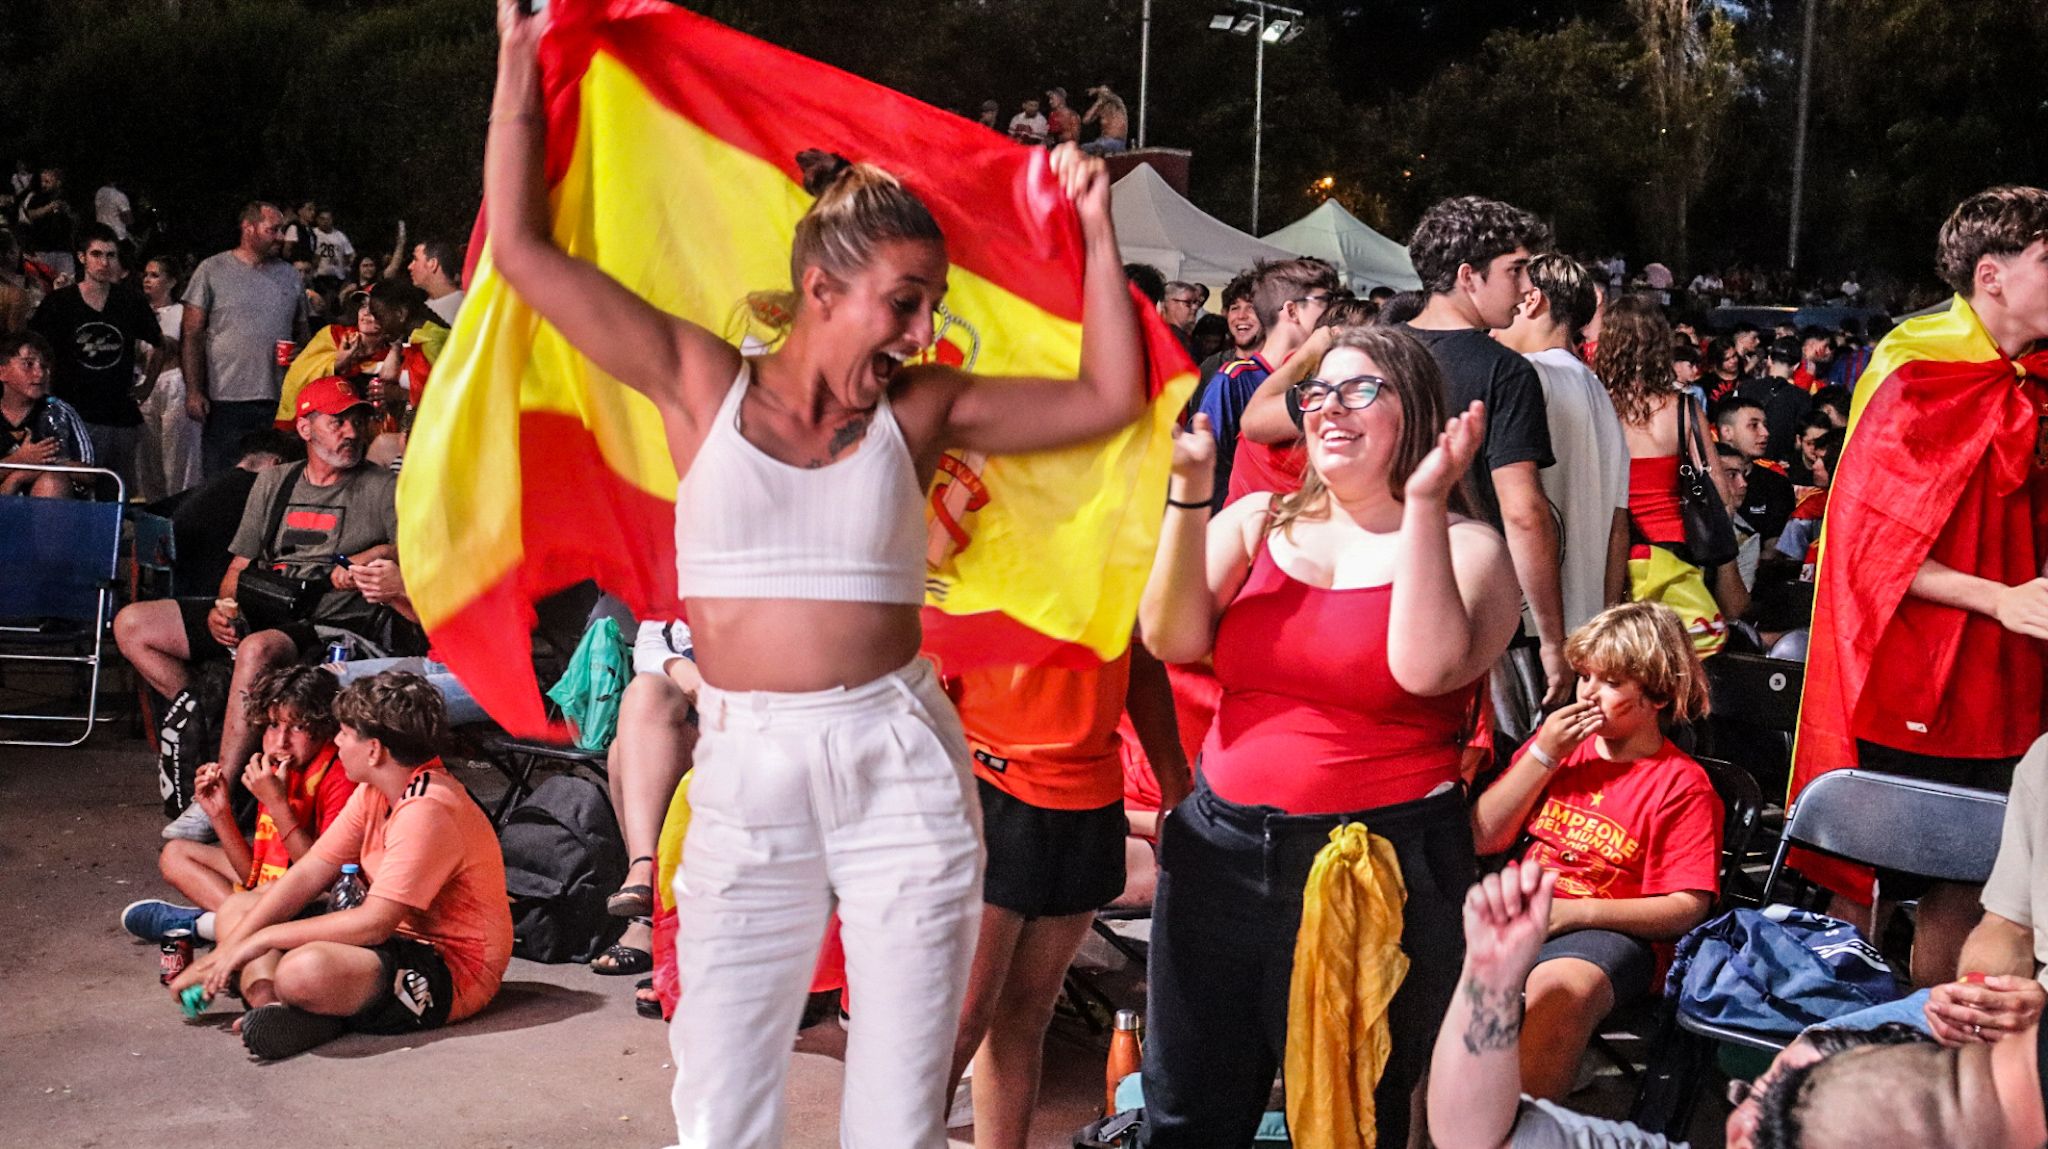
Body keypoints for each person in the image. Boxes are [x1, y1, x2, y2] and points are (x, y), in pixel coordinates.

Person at [488, 3, 1149, 1143]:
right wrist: (515, 61)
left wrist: (1094, 232)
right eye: (906, 300)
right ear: (821, 284)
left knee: (899, 1093)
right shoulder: (702, 382)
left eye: (932, 302)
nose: (923, 325)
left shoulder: (921, 410)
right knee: (719, 1081)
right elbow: (524, 253)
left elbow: (1106, 399)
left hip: (899, 759)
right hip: (748, 762)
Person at [1136, 325, 1522, 1146]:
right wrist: (1189, 492)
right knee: (1184, 1110)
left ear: (1414, 410)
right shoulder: (1256, 519)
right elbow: (1167, 636)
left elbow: (1425, 668)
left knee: (1349, 1117)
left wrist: (1420, 501)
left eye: (1359, 390)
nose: (1327, 409)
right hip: (1221, 851)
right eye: (1315, 392)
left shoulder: (1471, 547)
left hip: (1377, 865)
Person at [1795, 186, 2048, 991]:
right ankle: (1825, 1074)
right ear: (1992, 275)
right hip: (1906, 678)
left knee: (1973, 892)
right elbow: (1869, 557)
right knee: (1860, 887)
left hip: (2008, 683)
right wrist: (2000, 598)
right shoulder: (1915, 367)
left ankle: (1935, 1075)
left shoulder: (2030, 378)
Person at [114, 375, 414, 844]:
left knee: (256, 649)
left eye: (357, 420)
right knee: (133, 625)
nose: (351, 432)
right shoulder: (275, 482)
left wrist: (363, 559)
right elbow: (239, 565)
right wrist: (224, 609)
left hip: (332, 623)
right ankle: (208, 717)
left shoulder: (382, 489)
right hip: (263, 605)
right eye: (337, 422)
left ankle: (219, 788)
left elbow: (416, 552)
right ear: (306, 427)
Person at [167, 671, 514, 1060]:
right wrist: (223, 953)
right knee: (241, 908)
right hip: (386, 944)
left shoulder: (428, 807)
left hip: (447, 968)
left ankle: (316, 1007)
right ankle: (271, 1007)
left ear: (375, 750)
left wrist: (259, 941)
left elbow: (375, 922)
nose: (336, 741)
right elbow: (309, 871)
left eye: (345, 733)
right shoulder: (374, 790)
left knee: (302, 970)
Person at [1470, 602, 1721, 1098]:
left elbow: (1687, 908)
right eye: (1585, 677)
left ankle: (1522, 1124)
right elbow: (1484, 837)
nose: (1587, 693)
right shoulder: (1557, 751)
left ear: (1658, 694)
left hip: (1608, 929)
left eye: (1610, 683)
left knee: (1563, 991)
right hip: (1518, 907)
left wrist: (1574, 913)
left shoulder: (1681, 785)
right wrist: (1543, 754)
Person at [944, 653, 1189, 1148]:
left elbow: (1139, 661)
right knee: (958, 1023)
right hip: (986, 785)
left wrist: (1174, 786)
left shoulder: (1121, 571)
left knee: (1025, 1016)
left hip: (1089, 798)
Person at [1404, 195, 1567, 735]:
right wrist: (1551, 639)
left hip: (1375, 594)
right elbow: (1523, 511)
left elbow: (1262, 421)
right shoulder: (1505, 373)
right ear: (1468, 276)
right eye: (1516, 271)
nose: (1527, 289)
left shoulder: (1371, 354)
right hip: (1466, 613)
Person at [121, 666, 357, 942]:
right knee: (175, 855)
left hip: (322, 894)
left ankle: (206, 926)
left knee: (291, 895)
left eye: (299, 728)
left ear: (324, 727)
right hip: (278, 888)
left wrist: (278, 805)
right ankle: (238, 925)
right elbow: (254, 875)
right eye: (273, 725)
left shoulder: (338, 774)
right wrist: (220, 814)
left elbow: (323, 878)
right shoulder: (275, 768)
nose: (281, 741)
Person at [1495, 252, 1629, 633]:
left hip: (1527, 621)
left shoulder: (1526, 377)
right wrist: (1604, 615)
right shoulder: (1598, 391)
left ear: (1533, 299)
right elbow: (1618, 525)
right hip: (1585, 621)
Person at [1597, 295, 1727, 656]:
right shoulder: (1684, 407)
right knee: (1680, 653)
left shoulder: (1598, 405)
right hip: (1679, 549)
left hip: (1618, 553)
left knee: (1629, 655)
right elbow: (1721, 491)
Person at [591, 618, 702, 979]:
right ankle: (645, 875)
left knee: (626, 752)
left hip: (756, 711)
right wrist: (677, 665)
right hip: (689, 713)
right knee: (644, 695)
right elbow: (650, 642)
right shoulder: (674, 567)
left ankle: (648, 914)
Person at [29, 223, 164, 493]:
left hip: (119, 414)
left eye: (110, 255)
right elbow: (34, 348)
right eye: (97, 254)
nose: (104, 262)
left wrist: (148, 384)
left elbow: (160, 343)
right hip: (74, 411)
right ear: (82, 257)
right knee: (73, 492)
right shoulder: (59, 303)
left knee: (119, 494)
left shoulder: (129, 301)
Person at [1193, 257, 1338, 506]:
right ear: (1292, 311)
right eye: (1325, 301)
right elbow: (1203, 463)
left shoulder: (1320, 377)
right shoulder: (1234, 380)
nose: (1334, 310)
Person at [183, 201, 309, 477]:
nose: (280, 237)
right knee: (222, 478)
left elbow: (303, 332)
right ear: (248, 228)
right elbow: (191, 334)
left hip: (278, 398)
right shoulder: (212, 269)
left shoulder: (289, 275)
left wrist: (300, 353)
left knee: (273, 479)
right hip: (224, 397)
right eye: (272, 229)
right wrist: (193, 390)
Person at [135, 254, 204, 500]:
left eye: (155, 275)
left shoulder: (179, 311)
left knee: (177, 457)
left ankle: (181, 508)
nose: (148, 280)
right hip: (144, 385)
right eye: (146, 275)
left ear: (172, 281)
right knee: (149, 459)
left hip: (173, 382)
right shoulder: (138, 312)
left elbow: (172, 347)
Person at [0, 329, 94, 497]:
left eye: (44, 366)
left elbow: (91, 474)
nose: (39, 373)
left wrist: (46, 464)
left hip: (52, 508)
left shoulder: (61, 412)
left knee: (52, 481)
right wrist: (18, 462)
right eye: (28, 364)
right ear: (2, 372)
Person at [1713, 394, 1793, 549]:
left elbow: (1774, 548)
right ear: (1727, 432)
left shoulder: (1777, 485)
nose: (1765, 433)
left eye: (1765, 425)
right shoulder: (1698, 479)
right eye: (1754, 425)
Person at [1741, 338, 1813, 469]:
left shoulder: (1745, 388)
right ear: (1796, 366)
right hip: (1780, 466)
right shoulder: (1802, 397)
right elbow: (1800, 439)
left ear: (1769, 360)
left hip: (1747, 462)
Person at [19, 166, 77, 279]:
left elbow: (76, 220)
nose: (43, 184)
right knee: (43, 286)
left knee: (67, 286)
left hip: (64, 250)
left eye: (47, 181)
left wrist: (67, 212)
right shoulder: (37, 197)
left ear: (58, 183)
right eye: (42, 181)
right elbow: (31, 215)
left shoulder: (67, 198)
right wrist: (49, 207)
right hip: (42, 250)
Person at [407, 238, 465, 325]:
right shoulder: (423, 308)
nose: (410, 267)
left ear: (432, 264)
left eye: (415, 259)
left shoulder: (465, 305)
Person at [310, 207, 355, 282]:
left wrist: (347, 267)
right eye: (322, 219)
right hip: (318, 275)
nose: (325, 222)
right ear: (317, 220)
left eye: (328, 219)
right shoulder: (313, 233)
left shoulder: (340, 236)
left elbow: (351, 254)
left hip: (337, 276)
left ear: (332, 220)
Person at [1081, 84, 1129, 154]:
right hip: (1102, 141)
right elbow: (1085, 120)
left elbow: (1107, 92)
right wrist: (1097, 103)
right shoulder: (1101, 109)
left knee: (1099, 147)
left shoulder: (1118, 105)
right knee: (1081, 148)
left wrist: (1097, 90)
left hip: (1116, 142)